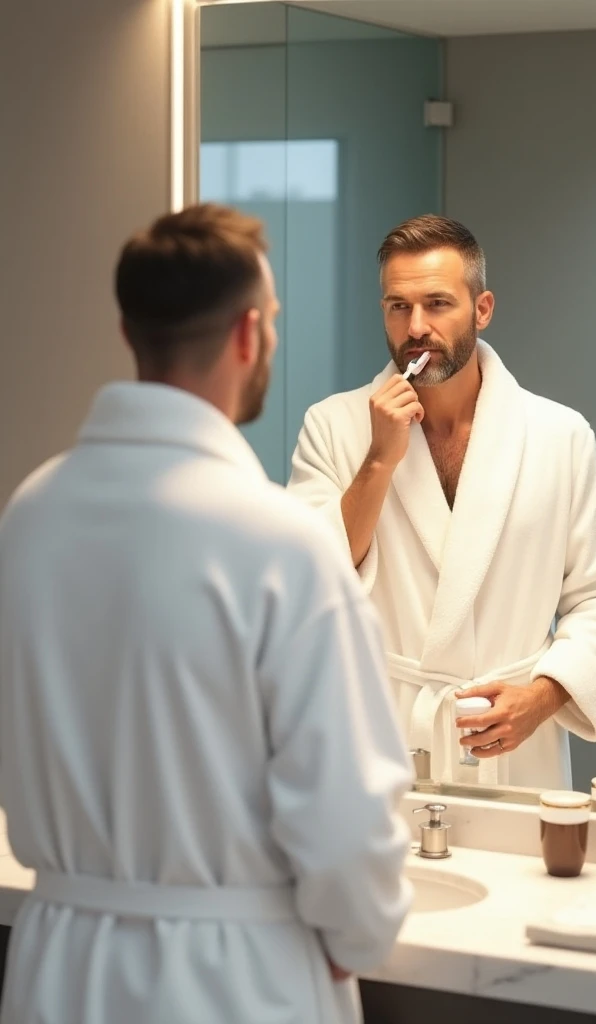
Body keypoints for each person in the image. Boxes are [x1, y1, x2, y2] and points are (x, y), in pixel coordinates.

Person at [0, 203, 412, 1024]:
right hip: (235, 984)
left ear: (129, 330)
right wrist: (355, 939)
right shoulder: (281, 541)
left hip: (57, 969)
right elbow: (345, 828)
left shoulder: (30, 516)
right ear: (249, 335)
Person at [288, 214, 596, 789]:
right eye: (397, 307)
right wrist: (379, 460)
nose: (416, 326)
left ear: (482, 309)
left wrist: (544, 696)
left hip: (511, 745)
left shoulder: (559, 435)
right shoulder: (334, 427)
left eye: (437, 304)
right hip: (380, 741)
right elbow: (308, 585)